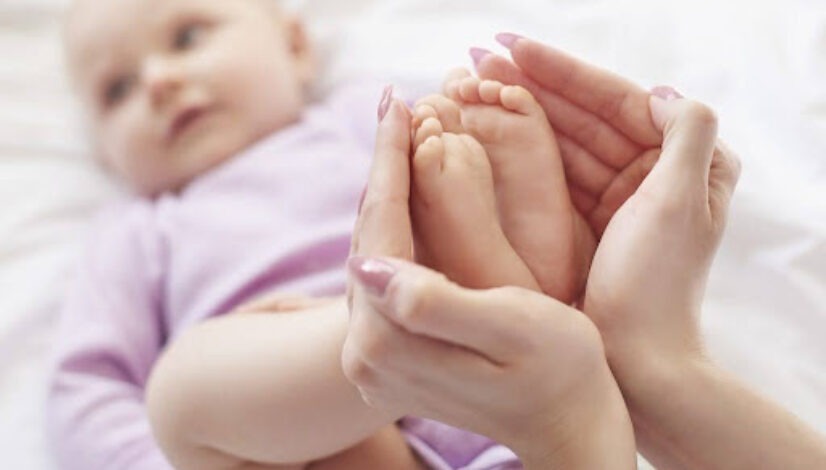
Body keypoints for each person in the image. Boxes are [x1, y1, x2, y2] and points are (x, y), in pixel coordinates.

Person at [49, 1, 559, 469]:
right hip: (294, 442)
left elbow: (447, 145)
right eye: (117, 89)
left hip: (473, 413)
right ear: (106, 155)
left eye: (186, 38)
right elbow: (87, 388)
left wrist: (482, 137)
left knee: (455, 166)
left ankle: (415, 317)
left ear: (295, 48)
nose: (158, 80)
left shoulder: (366, 116)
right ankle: (398, 325)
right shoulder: (137, 229)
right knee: (180, 391)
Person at [343, 34, 826, 470]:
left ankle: (481, 300)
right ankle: (497, 296)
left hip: (392, 388)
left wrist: (568, 423)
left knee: (320, 408)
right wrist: (644, 364)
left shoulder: (346, 98)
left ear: (297, 42)